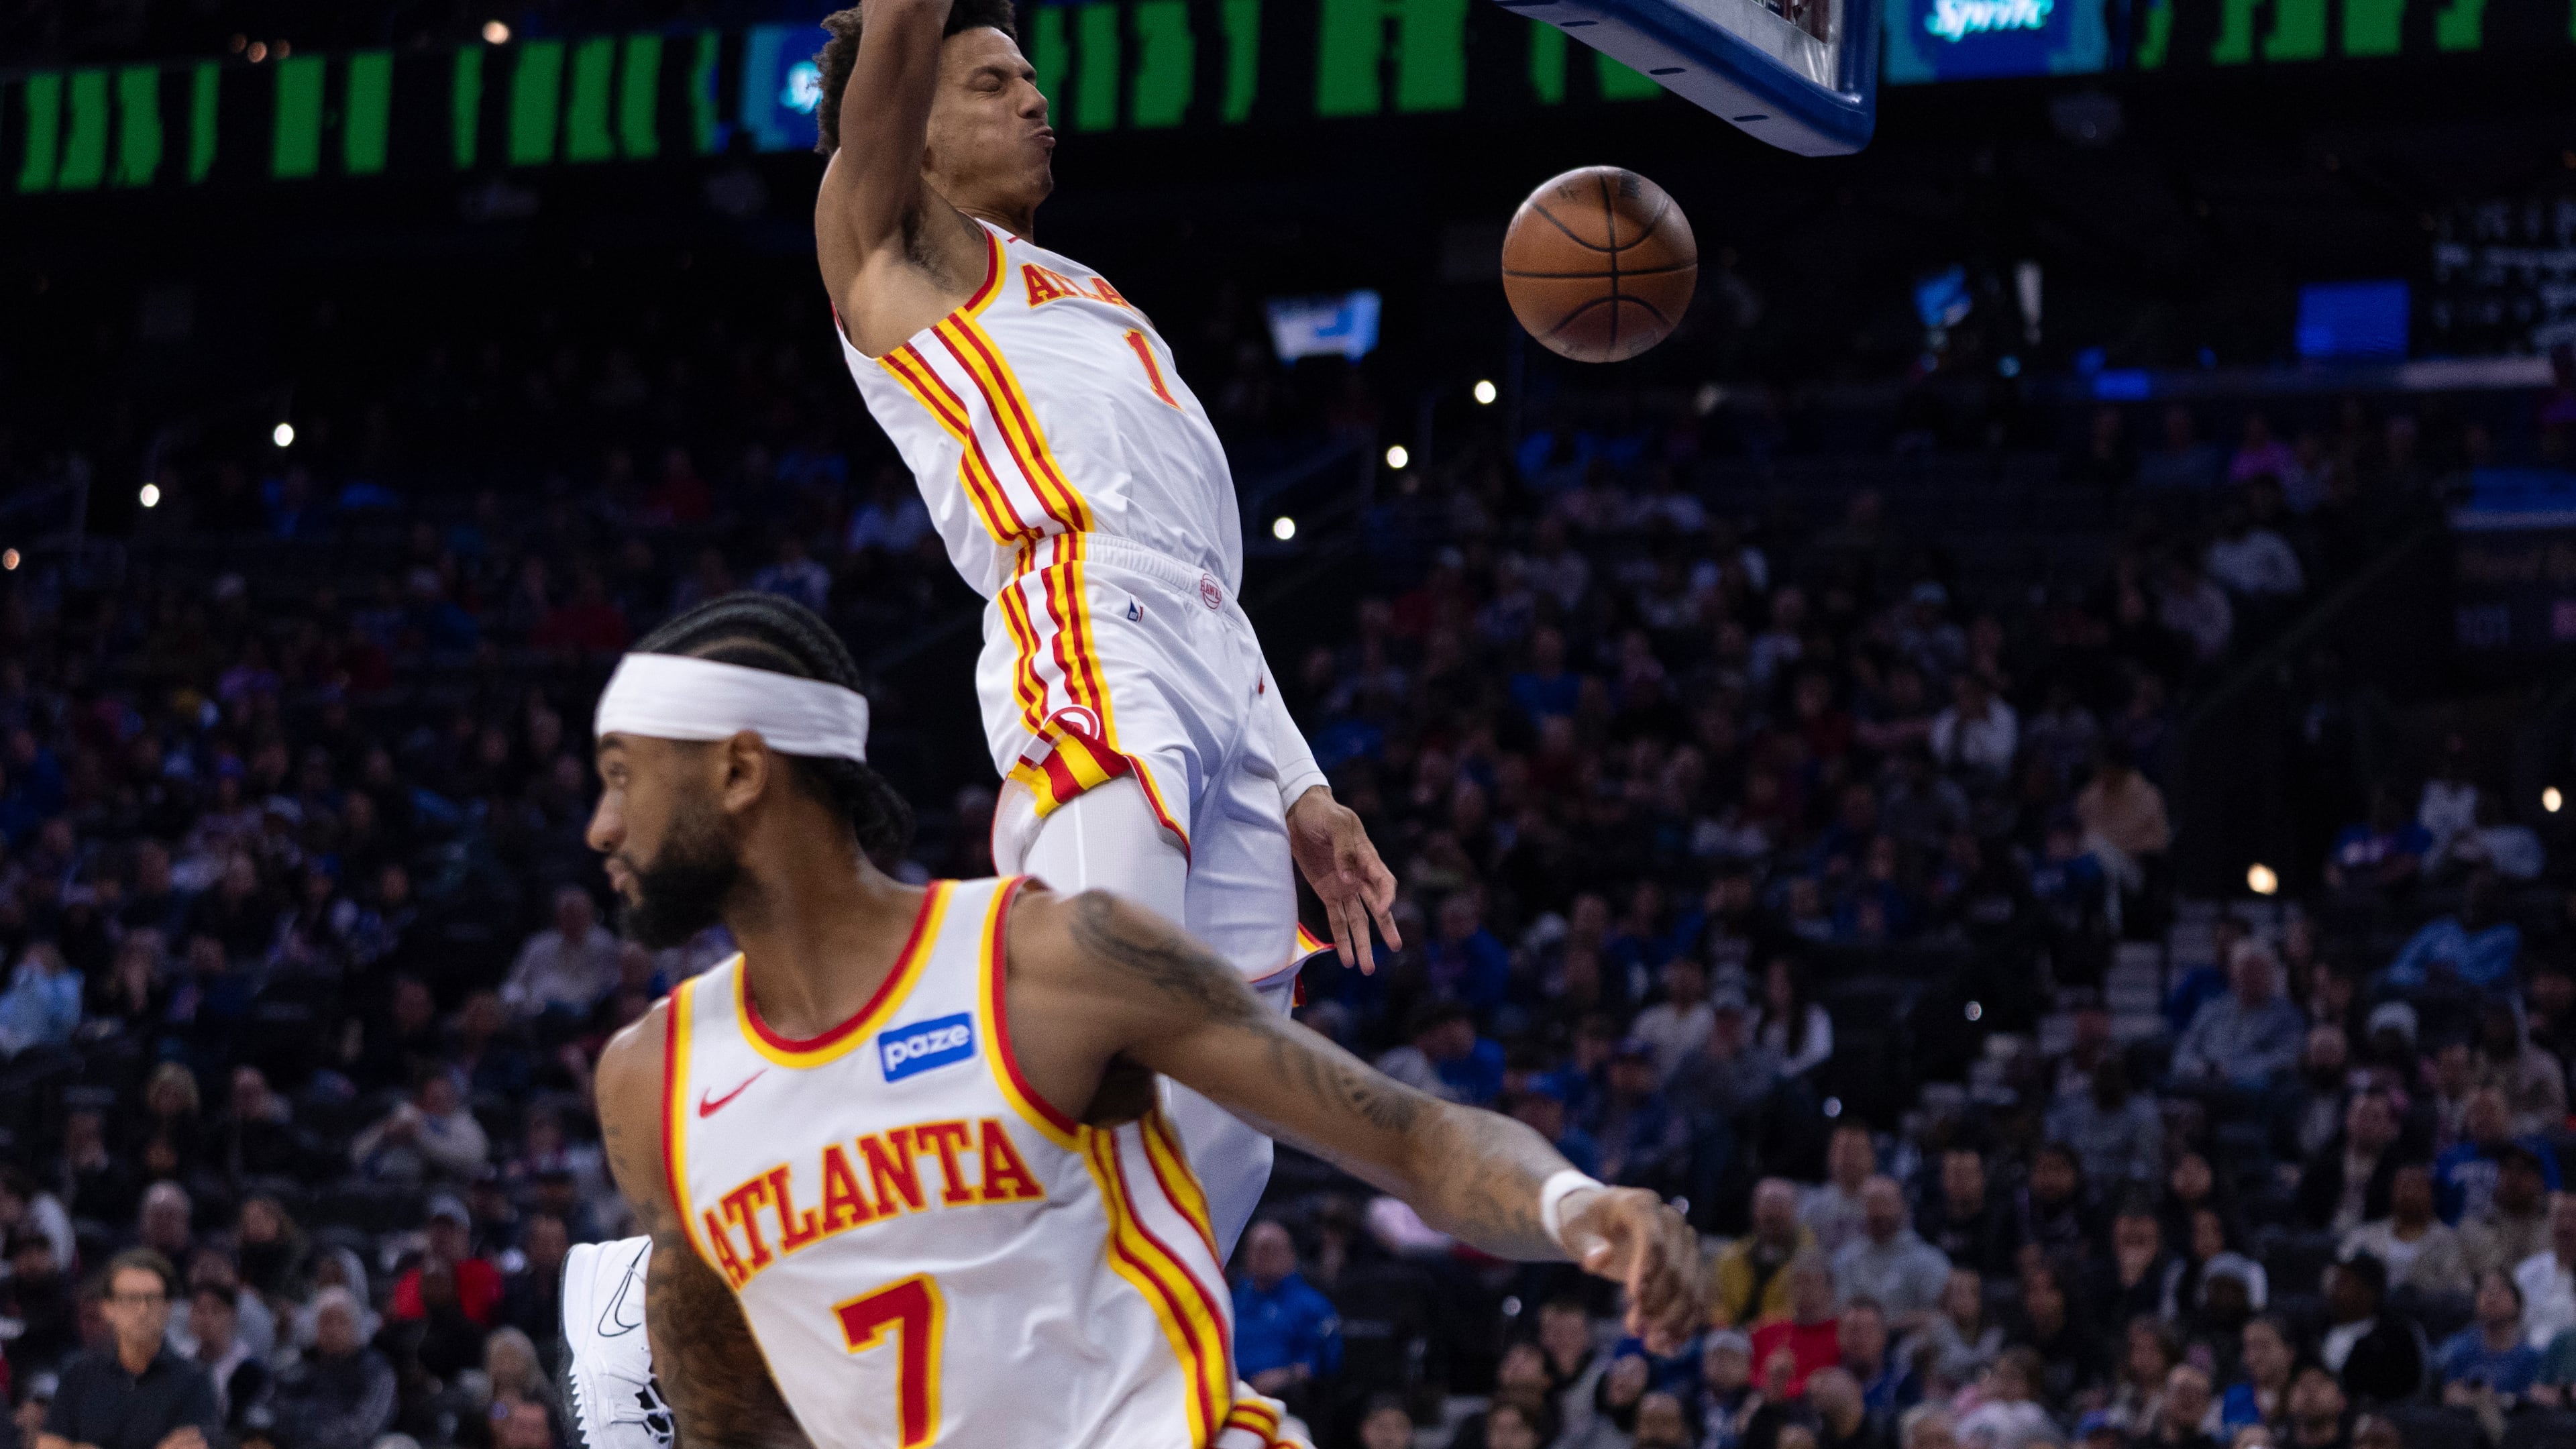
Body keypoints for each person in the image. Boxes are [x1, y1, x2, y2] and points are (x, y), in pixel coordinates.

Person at [562, 605, 1702, 1449]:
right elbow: (737, 1423)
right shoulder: (650, 1080)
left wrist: (1579, 1208)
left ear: (742, 770)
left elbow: (1413, 1141)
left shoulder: (1048, 962)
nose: (600, 827)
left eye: (622, 776)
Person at [810, 0, 1403, 1267]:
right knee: (1106, 988)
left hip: (1212, 655)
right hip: (1086, 617)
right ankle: (860, 1240)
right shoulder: (899, 255)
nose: (1036, 100)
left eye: (1031, 78)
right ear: (912, 130)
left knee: (1234, 1127)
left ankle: (1118, 1353)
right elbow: (897, 39)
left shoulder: (1097, 298)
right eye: (991, 84)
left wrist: (1303, 785)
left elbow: (1210, 584)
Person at [37, 1250, 218, 1449]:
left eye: (152, 1299)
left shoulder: (193, 1381)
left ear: (168, 1307)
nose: (142, 1310)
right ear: (108, 1308)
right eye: (130, 1299)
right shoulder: (79, 1375)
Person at [1230, 1222, 1340, 1415]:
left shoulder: (1312, 1305)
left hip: (1281, 1401)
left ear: (1290, 1255)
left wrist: (1286, 1376)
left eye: (1271, 1249)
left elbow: (1325, 1359)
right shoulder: (1232, 1299)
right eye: (1257, 1249)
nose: (1263, 1256)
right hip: (1227, 1391)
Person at [267, 1287, 396, 1449]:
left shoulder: (376, 1369)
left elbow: (365, 1427)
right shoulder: (301, 1364)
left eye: (341, 1321)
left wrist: (314, 1438)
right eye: (326, 1321)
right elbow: (273, 1407)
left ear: (355, 1325)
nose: (333, 1330)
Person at [1832, 1178, 1951, 1332]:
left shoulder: (1929, 1260)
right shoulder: (1845, 1260)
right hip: (1858, 1338)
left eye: (1885, 1204)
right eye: (1872, 1205)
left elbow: (1940, 1315)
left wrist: (1888, 1328)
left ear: (1903, 1208)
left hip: (1911, 1338)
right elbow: (1839, 1310)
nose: (1878, 1211)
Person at [1711, 1178, 1817, 1328]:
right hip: (1733, 1334)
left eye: (1780, 1206)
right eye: (1767, 1205)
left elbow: (1806, 1310)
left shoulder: (1811, 1260)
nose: (1773, 1213)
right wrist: (1724, 1326)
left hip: (1787, 1334)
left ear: (1795, 1211)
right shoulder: (1730, 1259)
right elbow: (1716, 1303)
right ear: (1754, 1210)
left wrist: (1761, 1327)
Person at [2318, 1254, 2421, 1406]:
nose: (2335, 1290)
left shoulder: (2395, 1338)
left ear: (2367, 1292)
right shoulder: (2317, 1328)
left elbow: (2405, 1390)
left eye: (2344, 1283)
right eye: (2336, 1282)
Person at [2434, 1269, 2540, 1404]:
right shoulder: (2462, 1351)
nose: (2492, 1297)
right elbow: (2450, 1393)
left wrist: (2499, 1400)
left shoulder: (2530, 1358)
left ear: (2517, 1304)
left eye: (2500, 1290)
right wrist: (2474, 1400)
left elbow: (2534, 1397)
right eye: (2486, 1290)